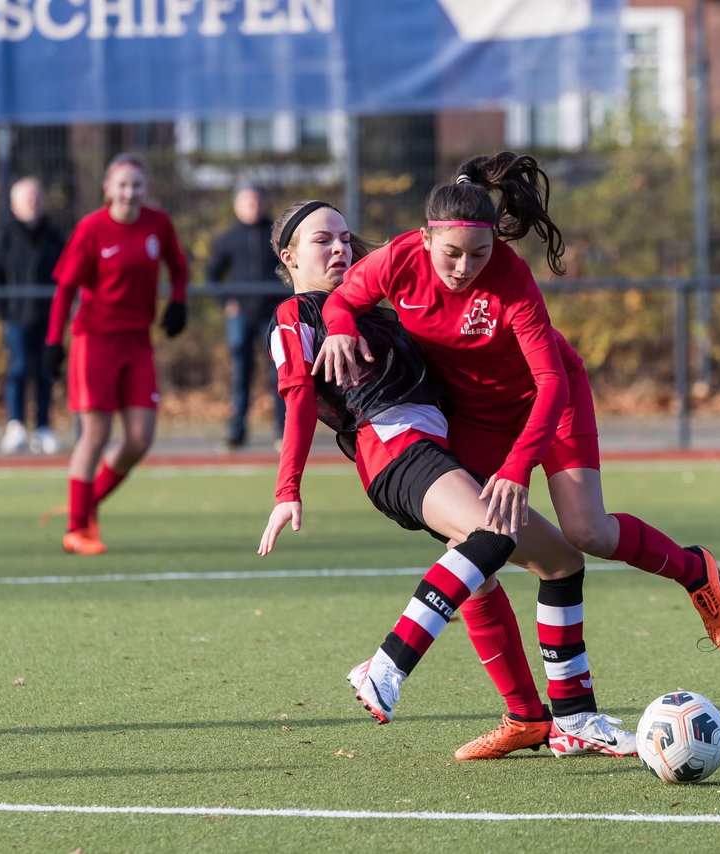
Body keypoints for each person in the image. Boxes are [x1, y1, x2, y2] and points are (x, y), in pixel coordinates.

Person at [314, 152, 720, 733]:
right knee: (473, 549)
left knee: (586, 532)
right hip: (473, 416)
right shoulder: (398, 259)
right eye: (452, 254)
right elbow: (343, 300)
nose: (465, 268)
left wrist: (517, 468)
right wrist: (339, 327)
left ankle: (695, 569)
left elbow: (548, 382)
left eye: (479, 254)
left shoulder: (511, 277)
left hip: (550, 404)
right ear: (424, 238)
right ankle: (530, 717)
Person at [257, 199, 636, 760]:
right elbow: (297, 397)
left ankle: (572, 717)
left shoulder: (372, 302)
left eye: (343, 235)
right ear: (289, 256)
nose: (338, 246)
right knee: (493, 531)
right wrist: (287, 488)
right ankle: (386, 663)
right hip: (394, 449)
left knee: (560, 561)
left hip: (442, 452)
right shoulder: (296, 317)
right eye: (321, 240)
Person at [43, 153, 189, 555]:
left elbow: (178, 267)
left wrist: (178, 302)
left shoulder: (158, 223)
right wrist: (54, 342)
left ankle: (84, 504)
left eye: (136, 185)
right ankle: (77, 529)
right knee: (96, 434)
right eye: (122, 185)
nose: (129, 193)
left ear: (146, 189)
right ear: (108, 189)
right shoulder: (91, 229)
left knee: (141, 438)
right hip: (95, 341)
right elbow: (65, 289)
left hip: (137, 341)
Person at [207, 185, 290, 450]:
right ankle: (237, 432)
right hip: (241, 317)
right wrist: (227, 302)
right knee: (241, 375)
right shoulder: (228, 238)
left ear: (265, 203)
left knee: (280, 374)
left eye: (256, 201)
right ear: (237, 206)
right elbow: (212, 276)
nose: (252, 206)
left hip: (273, 316)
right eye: (247, 202)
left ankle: (283, 432)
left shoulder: (277, 236)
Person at [0, 177, 65, 455]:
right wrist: (2, 311)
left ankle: (44, 427)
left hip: (48, 317)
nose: (32, 203)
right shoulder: (5, 237)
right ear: (14, 203)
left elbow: (66, 277)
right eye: (26, 198)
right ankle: (16, 425)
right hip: (17, 317)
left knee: (46, 371)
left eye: (36, 197)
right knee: (19, 369)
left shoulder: (54, 236)